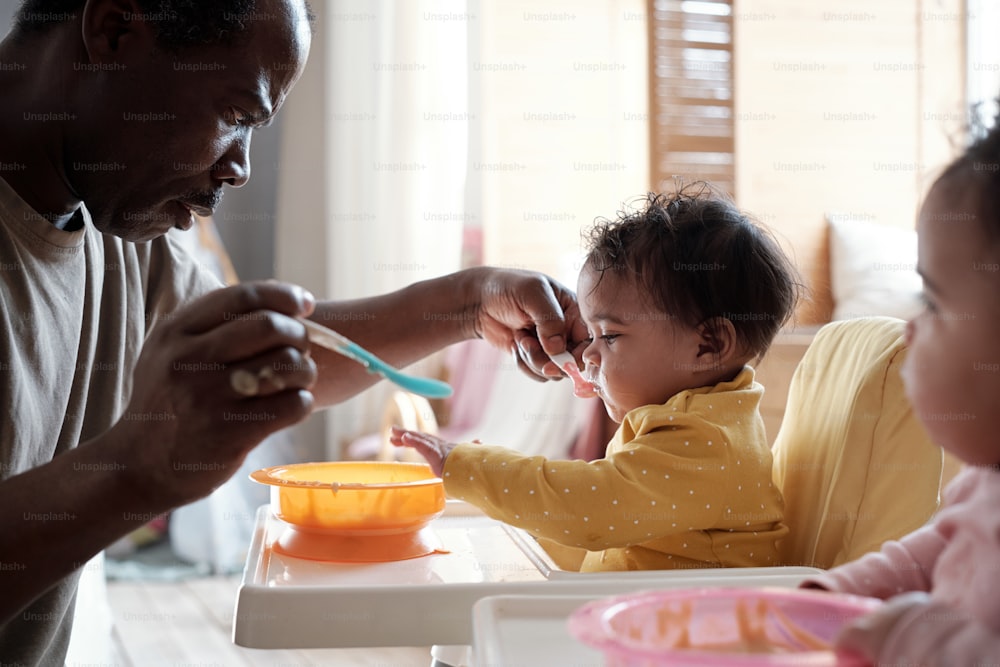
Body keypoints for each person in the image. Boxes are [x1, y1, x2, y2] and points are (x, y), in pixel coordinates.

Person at [0, 1, 587, 663]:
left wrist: (466, 302)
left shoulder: (123, 228)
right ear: (112, 31)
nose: (239, 167)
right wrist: (135, 471)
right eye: (235, 114)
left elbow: (283, 348)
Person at [392, 184, 801, 572]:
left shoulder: (706, 444)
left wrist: (468, 467)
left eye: (609, 335)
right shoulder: (696, 423)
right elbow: (607, 538)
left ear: (708, 344)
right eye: (590, 334)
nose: (587, 352)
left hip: (703, 639)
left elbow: (588, 511)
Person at [800, 114, 1000, 665]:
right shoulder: (984, 484)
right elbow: (932, 553)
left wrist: (903, 637)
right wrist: (842, 591)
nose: (910, 328)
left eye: (932, 303)